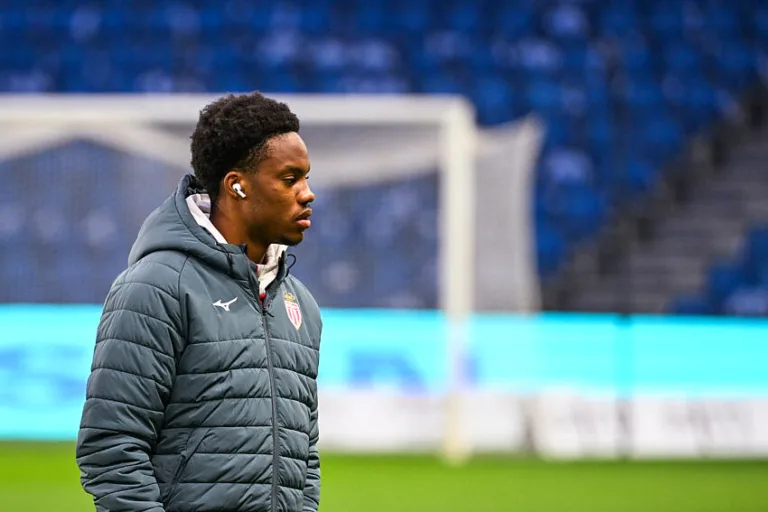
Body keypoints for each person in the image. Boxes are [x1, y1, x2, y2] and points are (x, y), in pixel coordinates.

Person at [76, 92, 322, 512]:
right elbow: (113, 448)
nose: (307, 194)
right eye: (289, 179)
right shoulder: (156, 287)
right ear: (236, 185)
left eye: (306, 178)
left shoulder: (300, 305)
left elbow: (305, 459)